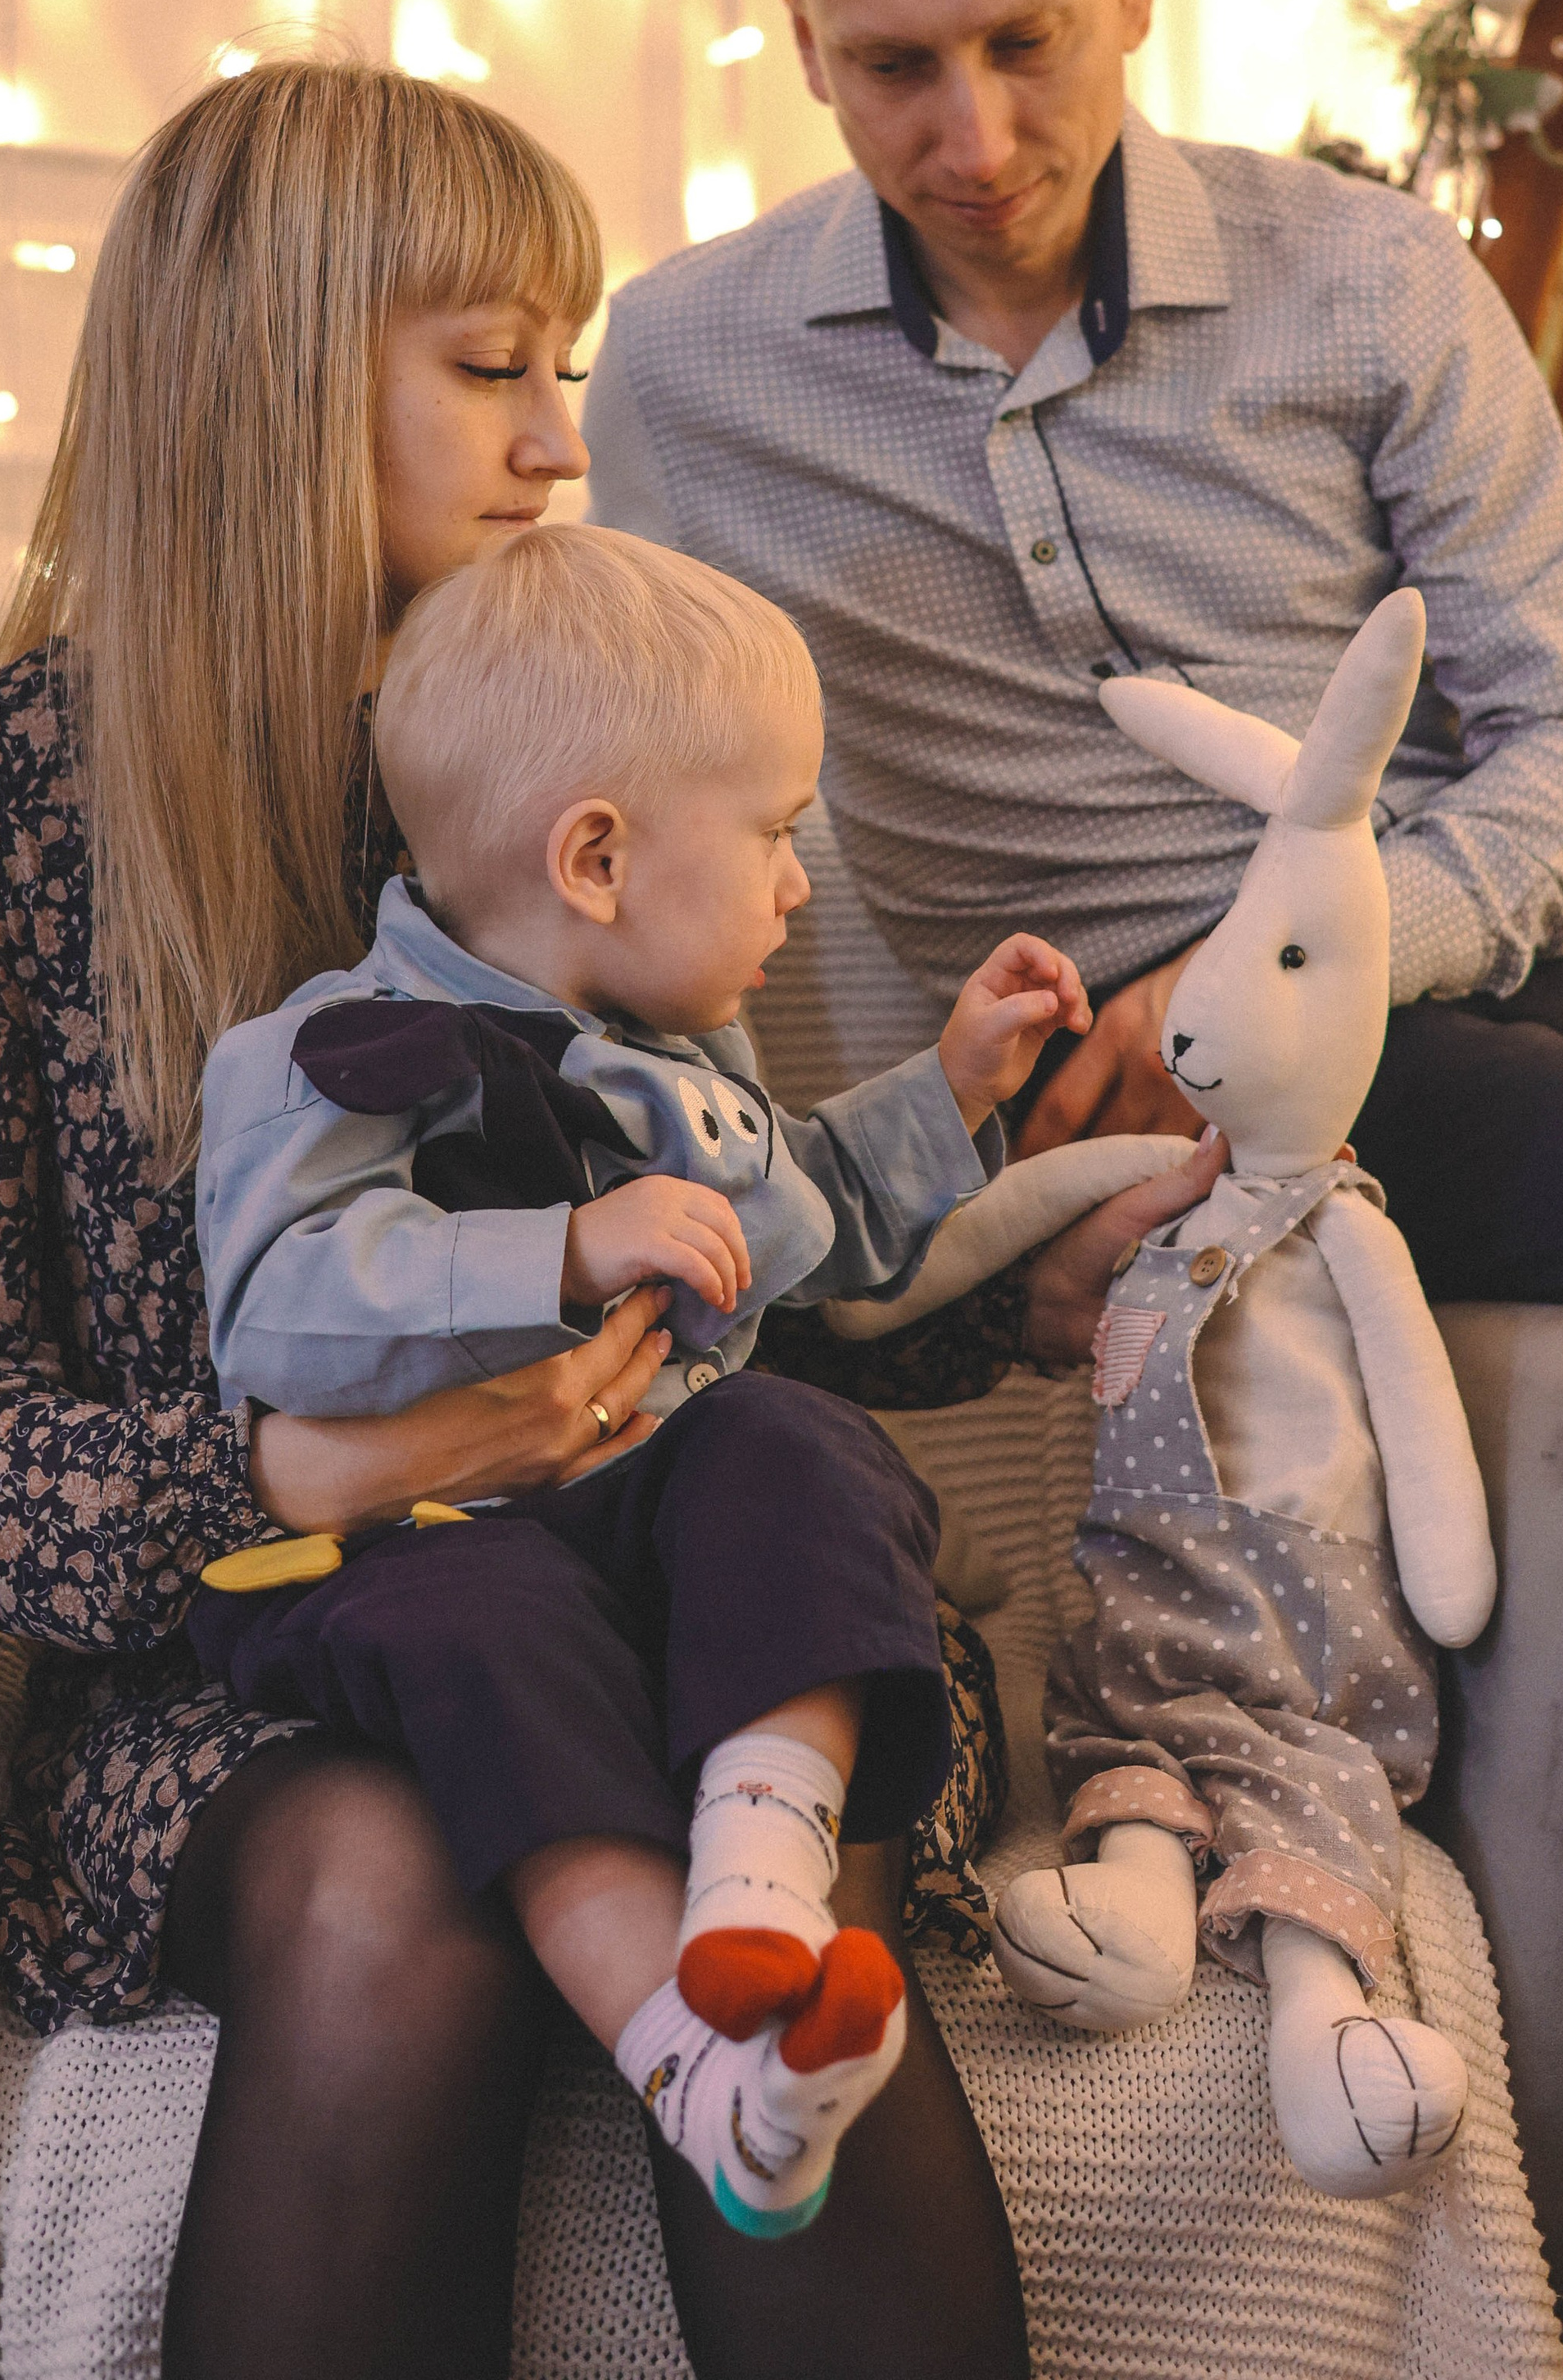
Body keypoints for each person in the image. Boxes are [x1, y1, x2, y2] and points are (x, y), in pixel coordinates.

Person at [0, 58, 1203, 2380]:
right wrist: (335, 1469)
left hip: (682, 1575)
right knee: (381, 1886)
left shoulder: (593, 744)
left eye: (559, 368)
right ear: (268, 384)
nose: (562, 436)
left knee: (780, 1764)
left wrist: (996, 1286)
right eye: (491, 371)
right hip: (249, 1654)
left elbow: (743, 1260)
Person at [583, 0, 1563, 1945]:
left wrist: (1322, 936)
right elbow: (651, 834)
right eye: (896, 64)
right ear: (802, 36)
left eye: (1028, 36)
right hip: (1233, 1095)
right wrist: (903, 1216)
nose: (974, 130)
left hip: (1540, 929)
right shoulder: (684, 371)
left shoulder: (1366, 278)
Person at [187, 521, 1090, 2237]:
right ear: (594, 856)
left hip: (651, 1521)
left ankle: (758, 1870)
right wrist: (566, 1249)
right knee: (485, 1643)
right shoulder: (326, 1052)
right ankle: (691, 2065)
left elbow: (803, 1229)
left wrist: (954, 1092)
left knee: (790, 1438)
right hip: (434, 1541)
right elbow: (278, 1312)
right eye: (769, 835)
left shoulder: (683, 1065)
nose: (795, 883)